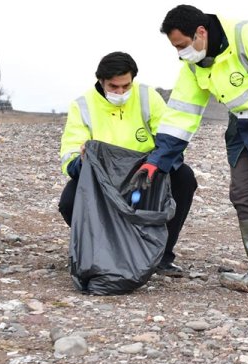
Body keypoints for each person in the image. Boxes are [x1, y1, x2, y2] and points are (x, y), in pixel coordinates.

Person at [126, 5, 248, 302]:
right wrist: (156, 162)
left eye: (182, 46)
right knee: (241, 194)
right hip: (244, 126)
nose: (180, 54)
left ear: (200, 33)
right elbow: (182, 115)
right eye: (175, 48)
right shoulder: (194, 65)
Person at [58, 51, 197, 275]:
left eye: (126, 86)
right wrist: (82, 160)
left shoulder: (147, 95)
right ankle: (107, 251)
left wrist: (156, 165)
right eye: (113, 87)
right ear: (101, 81)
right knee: (69, 202)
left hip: (144, 172)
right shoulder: (82, 105)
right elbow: (69, 156)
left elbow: (167, 137)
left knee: (184, 178)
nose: (121, 92)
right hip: (102, 177)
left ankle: (161, 256)